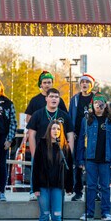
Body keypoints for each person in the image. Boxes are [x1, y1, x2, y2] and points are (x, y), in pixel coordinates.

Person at [75, 93, 111, 221]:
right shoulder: (86, 120)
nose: (98, 105)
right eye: (96, 103)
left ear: (105, 104)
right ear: (92, 105)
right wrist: (80, 159)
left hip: (106, 160)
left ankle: (106, 212)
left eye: (101, 103)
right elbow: (81, 140)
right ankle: (89, 213)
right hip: (90, 159)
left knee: (105, 186)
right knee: (91, 186)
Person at [24, 71, 68, 200]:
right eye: (44, 82)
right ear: (40, 84)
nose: (47, 84)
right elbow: (28, 119)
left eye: (49, 82)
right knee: (36, 166)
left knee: (56, 166)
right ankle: (33, 190)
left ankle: (57, 190)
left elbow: (65, 118)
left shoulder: (58, 101)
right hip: (39, 141)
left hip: (56, 141)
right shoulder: (35, 100)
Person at [32, 120, 74, 221]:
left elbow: (69, 168)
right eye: (53, 128)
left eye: (58, 129)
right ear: (49, 130)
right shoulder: (42, 144)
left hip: (58, 187)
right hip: (43, 186)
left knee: (57, 217)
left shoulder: (64, 147)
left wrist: (69, 186)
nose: (55, 131)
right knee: (44, 216)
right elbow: (36, 167)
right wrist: (36, 187)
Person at [68, 73, 95, 201]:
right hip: (78, 135)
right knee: (77, 163)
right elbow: (70, 116)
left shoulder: (96, 98)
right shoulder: (75, 99)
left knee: (93, 163)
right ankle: (77, 190)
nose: (84, 84)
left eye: (87, 82)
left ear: (91, 85)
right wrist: (71, 131)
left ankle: (95, 191)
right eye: (82, 82)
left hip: (92, 136)